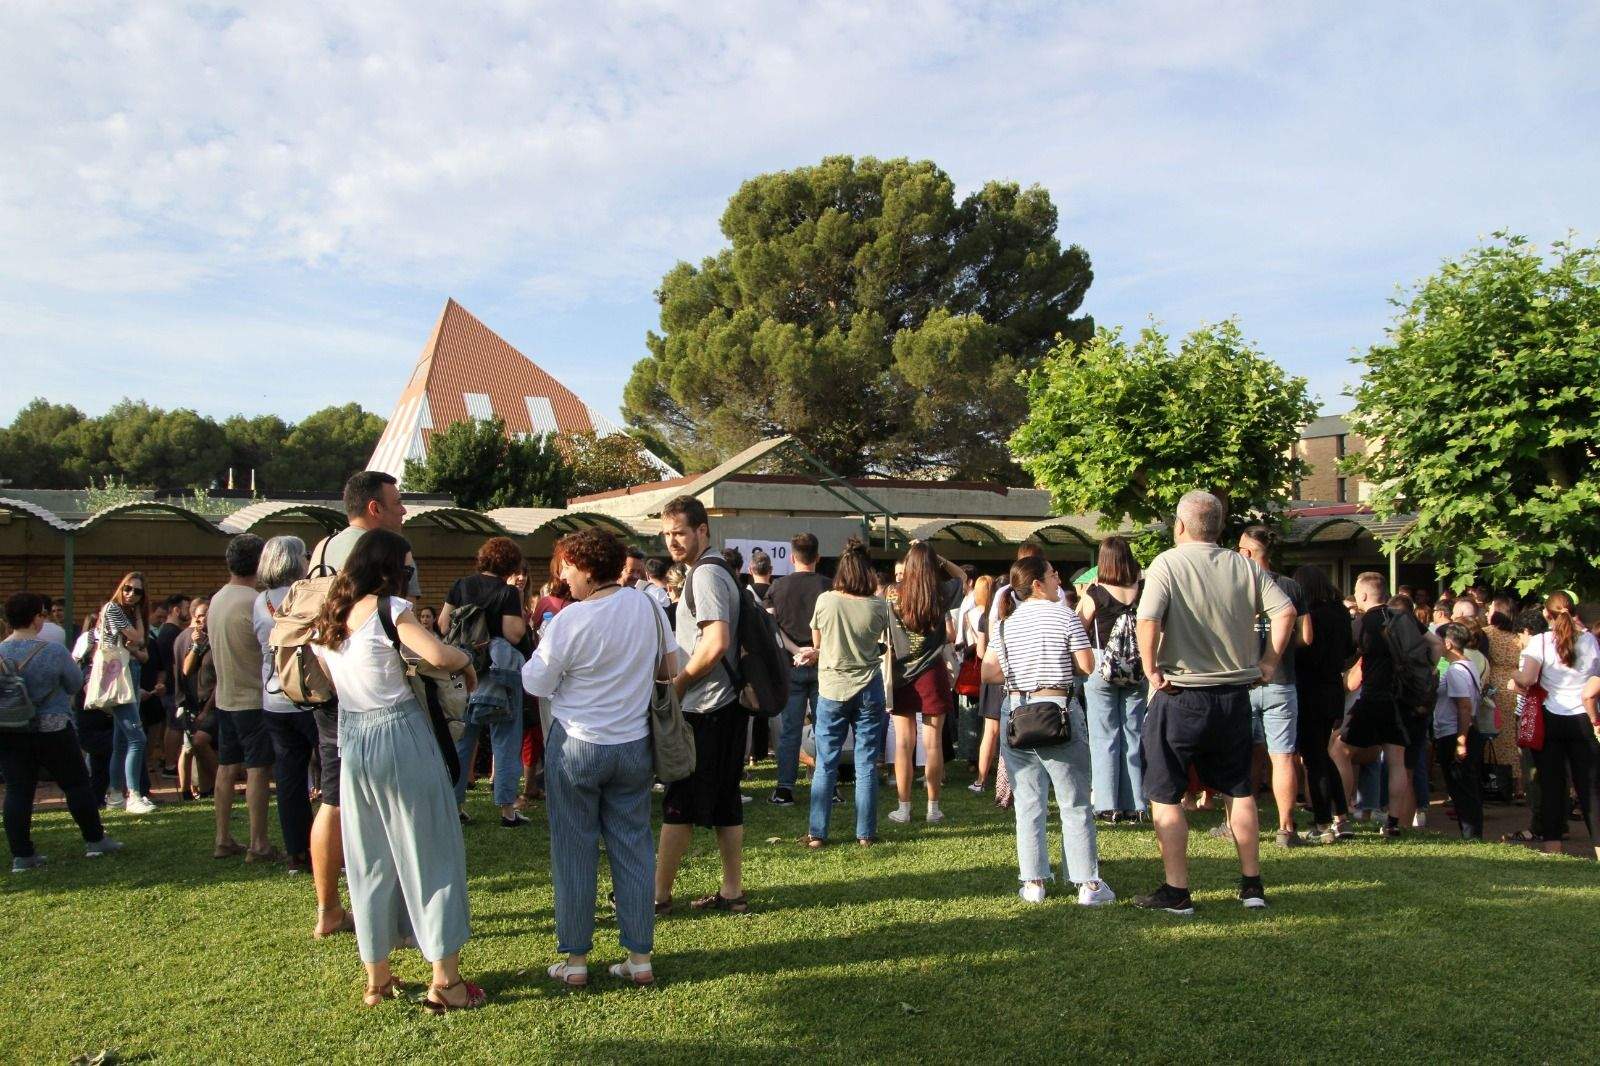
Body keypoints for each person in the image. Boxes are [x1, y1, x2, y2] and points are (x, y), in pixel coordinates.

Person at [310, 528, 484, 1010]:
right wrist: (466, 659)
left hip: (353, 737)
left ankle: (377, 979)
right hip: (399, 732)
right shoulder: (390, 609)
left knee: (369, 858)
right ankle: (446, 982)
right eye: (408, 568)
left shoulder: (331, 616)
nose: (411, 576)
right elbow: (438, 654)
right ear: (389, 569)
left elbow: (332, 678)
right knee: (432, 849)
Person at [522, 528, 674, 987]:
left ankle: (575, 961)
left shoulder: (569, 619)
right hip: (633, 745)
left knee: (574, 850)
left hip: (577, 745)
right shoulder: (648, 606)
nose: (564, 576)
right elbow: (670, 666)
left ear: (587, 569)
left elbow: (536, 682)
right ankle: (639, 957)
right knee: (633, 847)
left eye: (567, 567)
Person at [1132, 491, 1293, 915]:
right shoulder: (1245, 565)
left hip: (1179, 694)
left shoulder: (1168, 563)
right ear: (1219, 527)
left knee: (1166, 793)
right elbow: (1285, 611)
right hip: (1233, 697)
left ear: (1180, 526)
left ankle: (1177, 890)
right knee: (1239, 789)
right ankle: (1252, 885)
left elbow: (1147, 619)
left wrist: (1150, 668)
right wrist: (1269, 662)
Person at [302, 470, 418, 939]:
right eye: (397, 502)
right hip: (380, 702)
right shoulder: (392, 552)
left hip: (329, 689)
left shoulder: (322, 548)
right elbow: (407, 629)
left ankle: (328, 907)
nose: (403, 511)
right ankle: (395, 913)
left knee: (334, 799)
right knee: (391, 809)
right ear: (375, 508)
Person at [978, 555, 1112, 906]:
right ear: (1037, 584)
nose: (1059, 581)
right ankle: (1088, 885)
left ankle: (1033, 882)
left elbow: (988, 672)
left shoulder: (1005, 624)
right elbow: (1086, 665)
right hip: (1059, 711)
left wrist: (1020, 671)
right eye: (1054, 575)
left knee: (1028, 803)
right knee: (1074, 801)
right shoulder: (1065, 615)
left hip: (1018, 711)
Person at [654, 495, 749, 915]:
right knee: (725, 799)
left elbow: (716, 642)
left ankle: (657, 896)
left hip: (706, 707)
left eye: (680, 532)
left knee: (680, 800)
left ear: (702, 530)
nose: (672, 541)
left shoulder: (706, 574)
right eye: (667, 534)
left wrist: (679, 684)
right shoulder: (715, 569)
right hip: (725, 704)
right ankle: (732, 891)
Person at [1, 592, 122, 872]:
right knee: (76, 784)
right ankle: (95, 839)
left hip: (10, 729)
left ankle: (22, 855)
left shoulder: (1, 652)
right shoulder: (53, 651)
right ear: (35, 618)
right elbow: (74, 683)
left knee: (18, 791)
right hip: (53, 726)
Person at [801, 540, 891, 847]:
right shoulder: (878, 604)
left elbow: (818, 643)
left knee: (826, 762)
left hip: (832, 687)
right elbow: (883, 642)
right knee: (866, 762)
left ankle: (817, 833)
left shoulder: (826, 601)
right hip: (868, 687)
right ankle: (865, 833)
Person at [441, 536, 531, 828]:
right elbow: (514, 634)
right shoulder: (507, 592)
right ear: (510, 564)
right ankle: (507, 810)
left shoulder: (460, 585)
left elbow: (443, 624)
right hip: (498, 675)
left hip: (463, 672)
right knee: (505, 741)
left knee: (462, 740)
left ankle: (455, 805)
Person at [1232, 526, 1310, 847]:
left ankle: (1237, 824)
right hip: (1281, 679)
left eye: (1239, 549)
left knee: (1240, 753)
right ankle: (1286, 828)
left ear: (1248, 553)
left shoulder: (1235, 585)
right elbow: (1306, 636)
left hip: (1242, 681)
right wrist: (1280, 649)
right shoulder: (1291, 586)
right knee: (1282, 756)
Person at [1507, 592, 1600, 859]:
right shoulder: (1590, 641)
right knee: (1590, 788)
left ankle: (1553, 848)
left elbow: (1527, 678)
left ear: (1546, 614)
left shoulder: (1540, 641)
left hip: (1549, 719)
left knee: (1550, 785)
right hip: (1583, 718)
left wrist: (1512, 673)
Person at [1333, 573, 1422, 840]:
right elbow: (1434, 643)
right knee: (1396, 761)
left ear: (1362, 595)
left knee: (1339, 751)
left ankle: (1341, 818)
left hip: (1372, 697)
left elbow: (1345, 653)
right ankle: (1393, 823)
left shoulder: (1362, 623)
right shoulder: (1403, 619)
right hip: (1401, 699)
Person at [209, 534, 278, 863]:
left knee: (226, 767)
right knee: (257, 769)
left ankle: (222, 838)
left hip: (225, 697)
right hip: (252, 698)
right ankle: (258, 843)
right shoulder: (255, 601)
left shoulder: (217, 598)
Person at [886, 541, 966, 825]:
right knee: (933, 744)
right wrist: (939, 557)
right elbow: (962, 577)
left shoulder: (892, 592)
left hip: (901, 674)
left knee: (903, 743)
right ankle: (933, 808)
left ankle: (904, 808)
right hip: (933, 672)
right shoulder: (940, 592)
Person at [253, 536, 318, 873]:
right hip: (309, 697)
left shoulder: (260, 601)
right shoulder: (306, 594)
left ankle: (297, 853)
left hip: (274, 698)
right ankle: (331, 848)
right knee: (332, 773)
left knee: (289, 779)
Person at [1078, 536, 1147, 823]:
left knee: (1103, 734)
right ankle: (1135, 804)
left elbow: (1077, 626)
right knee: (1133, 733)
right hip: (1137, 665)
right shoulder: (1143, 590)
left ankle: (1107, 804)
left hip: (1101, 664)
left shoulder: (1095, 593)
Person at [1291, 565, 1355, 842]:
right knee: (1322, 754)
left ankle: (1323, 821)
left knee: (1313, 757)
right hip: (1333, 688)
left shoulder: (1310, 616)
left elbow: (1305, 654)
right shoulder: (1340, 612)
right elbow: (1350, 650)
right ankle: (1341, 816)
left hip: (1310, 689)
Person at [767, 532, 832, 806]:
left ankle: (785, 788)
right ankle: (829, 786)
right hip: (823, 663)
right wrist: (816, 650)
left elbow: (771, 627)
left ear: (792, 557)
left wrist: (795, 650)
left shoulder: (777, 587)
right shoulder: (829, 586)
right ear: (818, 557)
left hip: (790, 663)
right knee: (825, 728)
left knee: (790, 730)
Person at [98, 571, 155, 814]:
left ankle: (114, 795)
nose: (131, 594)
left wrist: (135, 645)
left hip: (131, 674)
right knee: (137, 738)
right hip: (118, 675)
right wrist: (136, 638)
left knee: (121, 740)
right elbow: (137, 638)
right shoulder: (113, 608)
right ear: (120, 588)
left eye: (138, 592)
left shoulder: (131, 613)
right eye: (127, 588)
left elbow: (144, 654)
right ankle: (134, 795)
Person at [1432, 622, 1486, 839]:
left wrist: (1460, 741)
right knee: (1464, 787)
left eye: (1438, 641)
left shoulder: (1456, 670)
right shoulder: (1466, 664)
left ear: (1447, 643)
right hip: (1456, 731)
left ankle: (1471, 836)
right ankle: (1471, 834)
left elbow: (1464, 706)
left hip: (1454, 732)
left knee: (1462, 788)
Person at [173, 597, 218, 800]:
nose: (202, 620)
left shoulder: (217, 640)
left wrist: (207, 709)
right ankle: (201, 790)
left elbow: (221, 679)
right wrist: (195, 646)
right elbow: (185, 669)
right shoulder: (192, 640)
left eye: (206, 615)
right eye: (199, 616)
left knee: (198, 743)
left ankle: (217, 784)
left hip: (213, 703)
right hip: (193, 703)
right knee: (192, 747)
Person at [965, 575, 1004, 793]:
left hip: (992, 676)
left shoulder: (986, 617)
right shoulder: (1018, 616)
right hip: (1014, 677)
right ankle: (1007, 780)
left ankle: (981, 780)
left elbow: (980, 652)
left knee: (990, 731)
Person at [154, 594, 188, 779]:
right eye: (186, 608)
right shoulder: (172, 633)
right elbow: (174, 663)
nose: (188, 612)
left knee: (172, 725)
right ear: (176, 610)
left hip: (170, 686)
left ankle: (167, 760)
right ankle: (170, 765)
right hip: (173, 687)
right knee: (175, 725)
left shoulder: (167, 631)